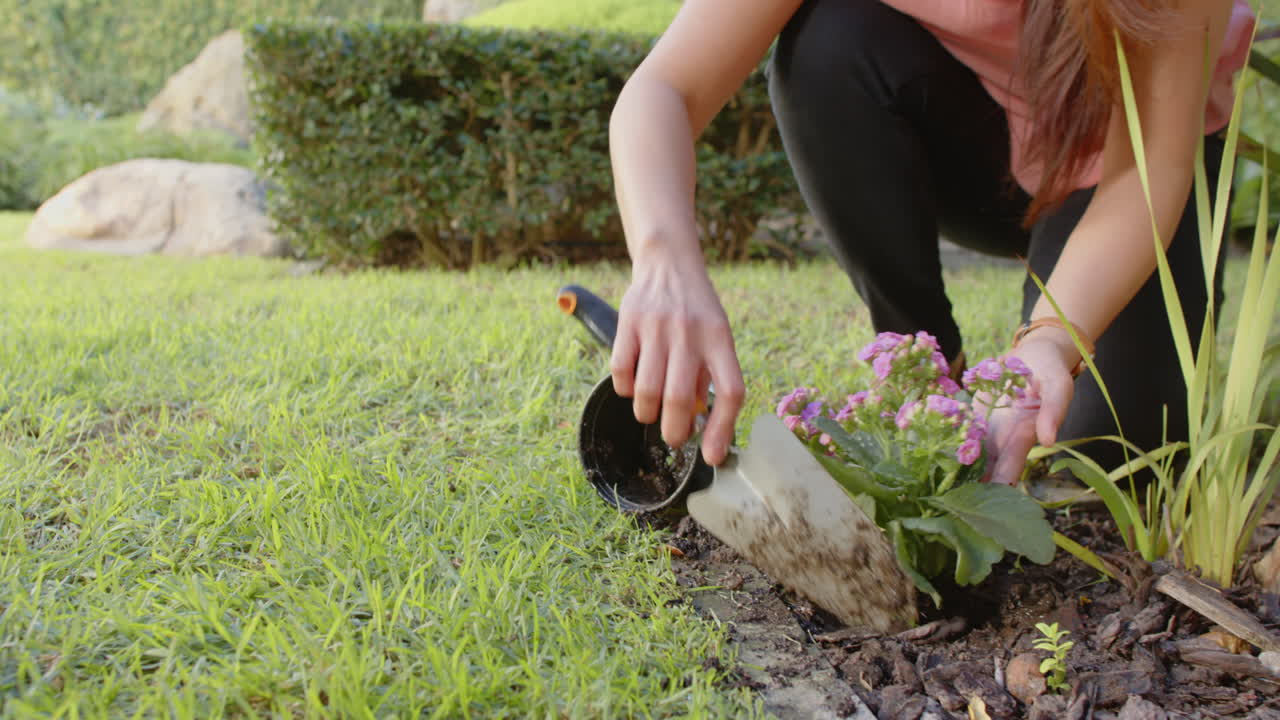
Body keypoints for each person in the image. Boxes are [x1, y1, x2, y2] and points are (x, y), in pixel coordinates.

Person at [605, 0, 1256, 486]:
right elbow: (664, 89)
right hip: (971, 146)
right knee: (828, 41)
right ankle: (924, 374)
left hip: (1124, 173)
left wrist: (1052, 340)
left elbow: (1146, 176)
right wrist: (664, 260)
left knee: (1107, 459)